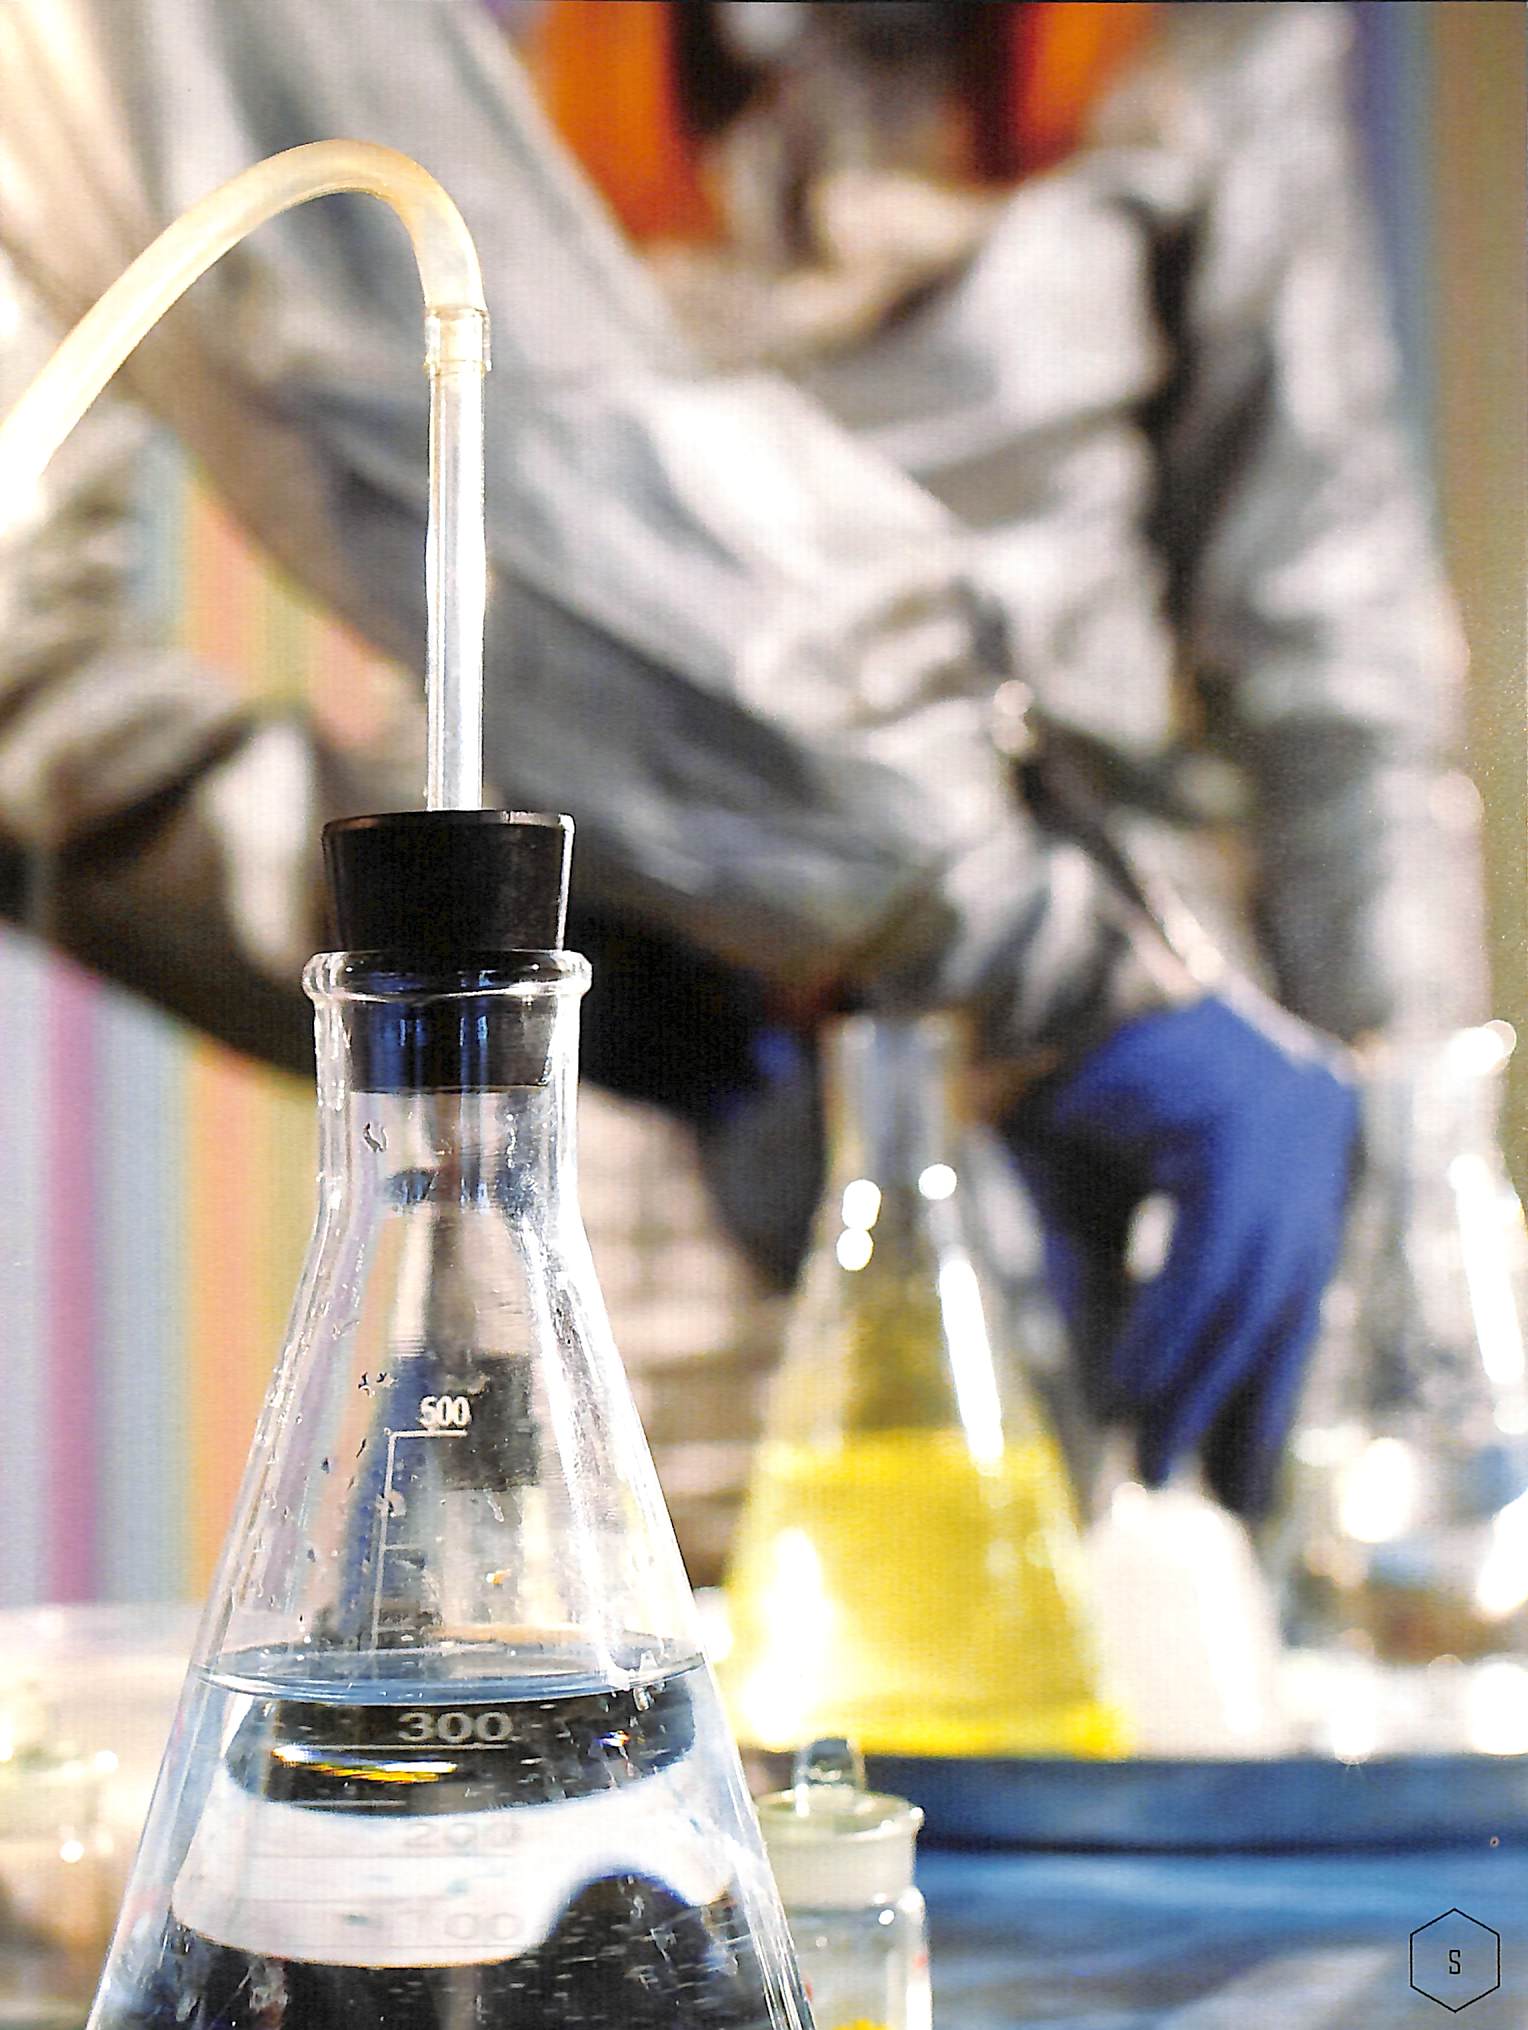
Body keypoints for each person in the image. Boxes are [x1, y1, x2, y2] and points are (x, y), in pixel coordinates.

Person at [0, 1, 1474, 1535]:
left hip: (1110, 1122)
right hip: (644, 1152)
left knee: (1095, 1626)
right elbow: (24, 668)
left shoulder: (1199, 42)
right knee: (608, 1651)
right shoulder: (456, 43)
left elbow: (1333, 648)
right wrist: (486, 940)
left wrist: (1416, 1206)